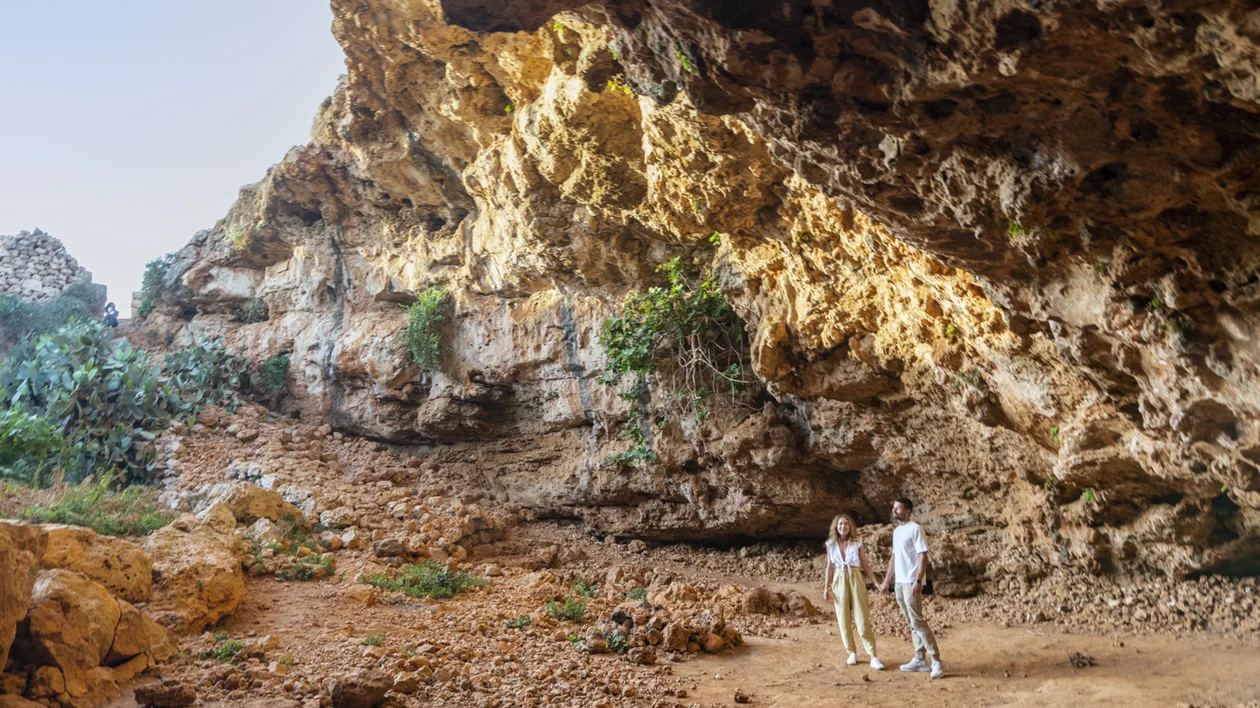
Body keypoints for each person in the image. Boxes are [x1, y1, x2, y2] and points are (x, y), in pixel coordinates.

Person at [878, 497, 943, 679]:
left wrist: (918, 580)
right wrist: (886, 582)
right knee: (911, 622)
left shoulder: (915, 529)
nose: (894, 511)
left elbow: (923, 555)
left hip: (911, 582)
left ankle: (936, 661)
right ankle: (920, 659)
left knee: (918, 622)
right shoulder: (897, 531)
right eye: (894, 508)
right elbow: (894, 558)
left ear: (908, 511)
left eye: (898, 508)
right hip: (899, 583)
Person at [822, 513, 883, 670]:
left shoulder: (857, 543)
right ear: (836, 526)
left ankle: (873, 656)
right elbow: (830, 566)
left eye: (846, 524)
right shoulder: (830, 544)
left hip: (855, 578)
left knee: (862, 618)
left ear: (850, 527)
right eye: (841, 524)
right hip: (839, 580)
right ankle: (852, 652)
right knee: (843, 618)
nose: (843, 527)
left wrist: (876, 582)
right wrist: (826, 587)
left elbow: (864, 563)